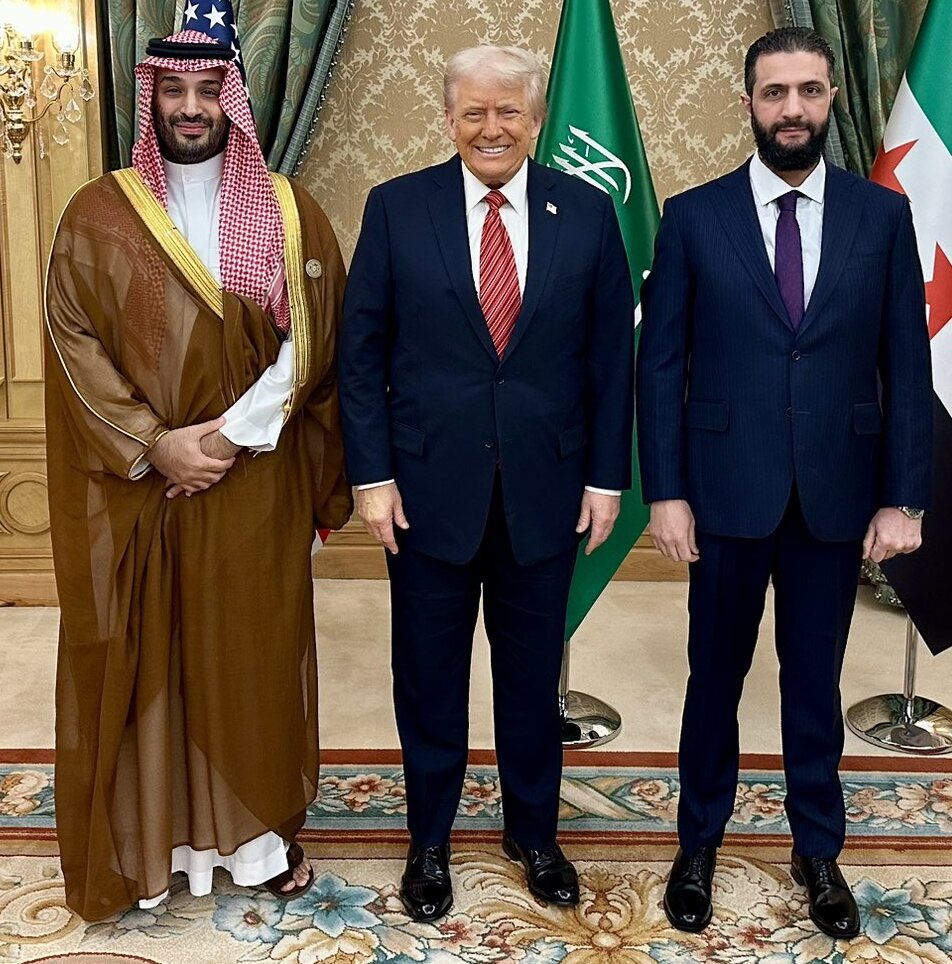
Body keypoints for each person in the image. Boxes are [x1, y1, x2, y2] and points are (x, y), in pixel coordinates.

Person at [44, 30, 351, 921]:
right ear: (150, 100)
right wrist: (154, 442)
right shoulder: (97, 213)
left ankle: (252, 845)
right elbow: (71, 339)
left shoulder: (293, 211)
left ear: (234, 101)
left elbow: (317, 340)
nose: (189, 107)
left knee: (248, 655)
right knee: (146, 655)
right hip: (137, 482)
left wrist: (221, 441)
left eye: (206, 90)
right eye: (172, 89)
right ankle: (151, 844)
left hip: (252, 483)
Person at [636, 27, 932, 939]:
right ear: (749, 104)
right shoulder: (692, 216)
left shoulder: (880, 217)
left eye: (809, 91)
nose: (792, 109)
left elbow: (905, 363)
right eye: (775, 93)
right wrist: (667, 492)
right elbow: (661, 365)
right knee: (712, 679)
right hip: (723, 494)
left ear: (832, 97)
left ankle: (818, 850)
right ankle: (697, 847)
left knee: (815, 682)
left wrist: (904, 495)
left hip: (836, 496)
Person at [338, 45, 634, 922]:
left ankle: (533, 833)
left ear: (536, 118)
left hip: (545, 489)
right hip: (425, 493)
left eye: (509, 111)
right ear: (449, 119)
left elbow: (610, 358)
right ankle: (429, 839)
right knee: (428, 677)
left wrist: (607, 479)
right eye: (474, 111)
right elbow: (361, 356)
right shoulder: (397, 208)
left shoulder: (585, 211)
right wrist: (372, 478)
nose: (492, 126)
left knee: (532, 675)